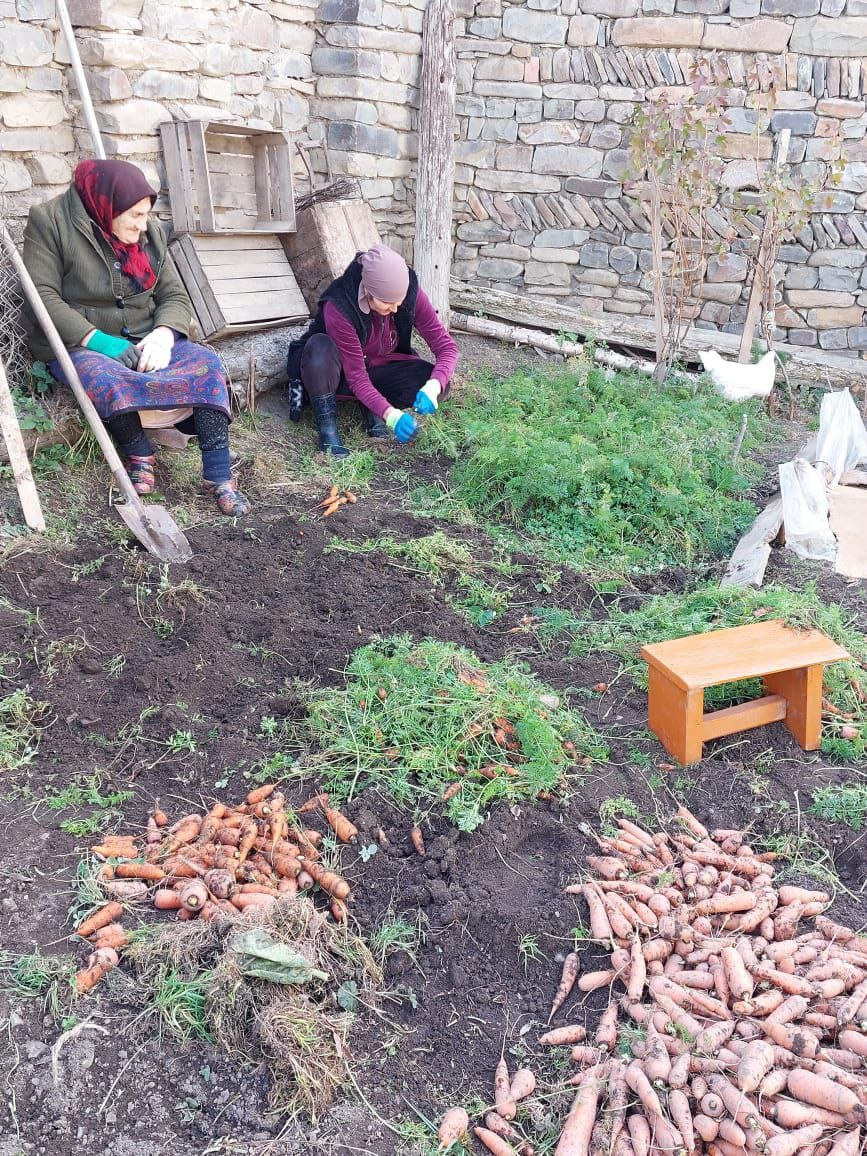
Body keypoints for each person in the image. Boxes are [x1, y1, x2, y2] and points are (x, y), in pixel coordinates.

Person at [22, 159, 250, 516]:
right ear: (106, 208)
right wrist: (98, 341)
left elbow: (174, 295)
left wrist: (162, 335)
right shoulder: (50, 222)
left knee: (206, 365)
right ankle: (139, 451)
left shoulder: (151, 232)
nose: (144, 225)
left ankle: (219, 475)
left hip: (145, 333)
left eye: (147, 215)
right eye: (135, 216)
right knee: (104, 376)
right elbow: (41, 295)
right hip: (83, 340)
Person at [286, 243, 459, 456]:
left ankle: (373, 406)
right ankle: (328, 429)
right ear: (368, 291)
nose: (395, 309)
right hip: (337, 373)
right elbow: (357, 377)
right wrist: (393, 417)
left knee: (437, 382)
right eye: (387, 303)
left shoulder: (407, 290)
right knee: (319, 350)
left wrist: (433, 386)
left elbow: (447, 347)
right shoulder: (339, 306)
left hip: (377, 366)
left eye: (399, 301)